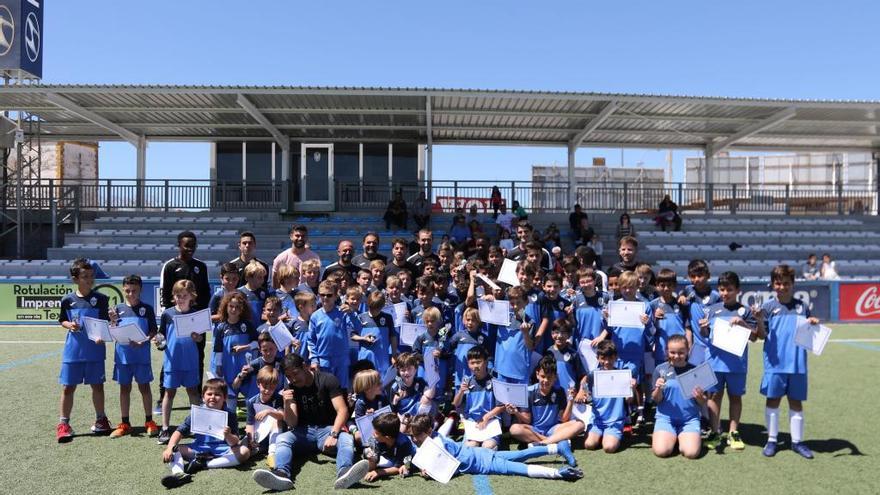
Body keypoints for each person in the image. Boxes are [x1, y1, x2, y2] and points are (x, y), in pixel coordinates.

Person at [252, 353, 370, 491]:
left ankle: (345, 472)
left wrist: (333, 434)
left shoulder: (327, 379)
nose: (293, 379)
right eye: (289, 376)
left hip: (328, 429)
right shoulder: (290, 388)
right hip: (303, 432)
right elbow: (292, 423)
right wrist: (287, 403)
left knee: (346, 438)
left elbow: (342, 410)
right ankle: (281, 474)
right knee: (282, 438)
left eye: (295, 373)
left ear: (305, 366)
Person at [754, 264, 819, 459]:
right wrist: (758, 320)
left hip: (797, 364)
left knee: (796, 403)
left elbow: (809, 334)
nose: (782, 287)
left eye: (786, 283)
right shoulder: (767, 307)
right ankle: (772, 440)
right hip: (775, 364)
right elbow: (761, 336)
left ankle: (797, 442)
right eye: (778, 283)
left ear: (793, 284)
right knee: (773, 401)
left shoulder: (802, 307)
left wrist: (813, 323)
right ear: (773, 284)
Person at [408, 414, 582, 481]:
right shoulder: (436, 438)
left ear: (428, 431)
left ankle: (558, 473)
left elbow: (448, 470)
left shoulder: (436, 444)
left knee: (521, 468)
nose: (414, 439)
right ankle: (556, 449)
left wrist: (429, 474)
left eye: (417, 435)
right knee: (521, 454)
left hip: (484, 463)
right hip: (482, 453)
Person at [56, 257, 112, 443]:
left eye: (91, 276)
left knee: (97, 386)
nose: (89, 279)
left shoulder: (101, 299)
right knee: (68, 387)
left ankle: (101, 419)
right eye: (85, 276)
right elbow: (61, 320)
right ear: (75, 279)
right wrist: (69, 325)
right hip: (73, 351)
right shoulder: (67, 300)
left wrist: (103, 334)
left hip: (95, 351)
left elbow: (106, 324)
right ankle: (64, 424)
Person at [160, 378, 251, 488]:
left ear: (225, 398)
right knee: (175, 449)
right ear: (203, 397)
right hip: (198, 450)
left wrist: (228, 435)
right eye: (209, 394)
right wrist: (169, 448)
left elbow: (235, 441)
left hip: (223, 450)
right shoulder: (197, 413)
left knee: (244, 452)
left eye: (217, 394)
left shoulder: (230, 415)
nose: (213, 397)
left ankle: (204, 464)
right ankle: (178, 474)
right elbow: (179, 432)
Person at [701, 271, 756, 451]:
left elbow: (755, 337)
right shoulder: (711, 310)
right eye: (722, 289)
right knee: (714, 397)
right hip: (714, 362)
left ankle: (733, 432)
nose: (725, 293)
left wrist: (743, 324)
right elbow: (705, 335)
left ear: (737, 290)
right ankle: (716, 430)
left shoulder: (745, 311)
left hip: (736, 364)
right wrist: (703, 329)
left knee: (735, 397)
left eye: (729, 289)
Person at [159, 231, 211, 412]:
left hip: (196, 320)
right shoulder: (170, 266)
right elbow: (165, 294)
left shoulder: (201, 267)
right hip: (175, 318)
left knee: (198, 356)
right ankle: (162, 396)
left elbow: (205, 294)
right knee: (170, 356)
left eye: (193, 245)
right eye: (186, 245)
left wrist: (201, 318)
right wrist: (171, 313)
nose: (190, 248)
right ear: (179, 245)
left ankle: (197, 396)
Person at [108, 274, 159, 438]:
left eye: (134, 291)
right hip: (122, 356)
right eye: (128, 291)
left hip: (141, 355)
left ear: (141, 290)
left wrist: (143, 340)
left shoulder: (147, 309)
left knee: (144, 387)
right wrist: (113, 322)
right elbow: (111, 330)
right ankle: (125, 423)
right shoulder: (116, 309)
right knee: (124, 388)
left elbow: (153, 331)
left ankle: (149, 421)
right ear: (123, 290)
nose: (131, 294)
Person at [157, 280, 205, 445]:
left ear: (191, 296)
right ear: (173, 296)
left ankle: (198, 426)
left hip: (190, 362)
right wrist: (158, 341)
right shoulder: (167, 314)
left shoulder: (195, 314)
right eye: (178, 296)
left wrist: (197, 337)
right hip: (172, 362)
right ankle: (164, 428)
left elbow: (200, 338)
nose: (180, 299)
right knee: (168, 394)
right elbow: (161, 335)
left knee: (193, 393)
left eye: (184, 296)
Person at [508, 356, 584, 448]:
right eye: (543, 376)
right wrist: (516, 412)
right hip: (534, 430)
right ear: (537, 375)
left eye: (549, 377)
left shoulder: (559, 391)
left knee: (580, 424)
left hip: (554, 429)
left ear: (555, 377)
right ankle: (553, 441)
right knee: (514, 429)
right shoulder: (529, 392)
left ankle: (543, 443)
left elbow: (564, 419)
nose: (546, 380)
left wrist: (571, 400)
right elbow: (527, 420)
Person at [576, 340, 636, 453]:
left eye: (610, 358)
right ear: (597, 358)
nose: (607, 362)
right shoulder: (594, 375)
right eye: (603, 358)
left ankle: (615, 434)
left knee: (609, 447)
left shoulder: (622, 375)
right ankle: (598, 434)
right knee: (589, 445)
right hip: (597, 421)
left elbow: (629, 401)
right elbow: (584, 380)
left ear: (616, 357)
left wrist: (632, 388)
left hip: (615, 422)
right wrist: (581, 391)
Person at [651, 334, 706, 459]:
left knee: (691, 453)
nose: (676, 356)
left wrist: (699, 396)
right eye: (672, 352)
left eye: (681, 352)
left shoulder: (695, 370)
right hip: (666, 419)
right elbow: (656, 399)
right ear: (667, 351)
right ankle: (671, 437)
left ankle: (683, 438)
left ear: (687, 351)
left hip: (689, 420)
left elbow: (703, 402)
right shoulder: (660, 369)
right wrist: (658, 388)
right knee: (661, 451)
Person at [212, 292, 258, 411]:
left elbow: (257, 344)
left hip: (246, 366)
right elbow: (218, 349)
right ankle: (232, 425)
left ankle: (251, 425)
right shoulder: (221, 327)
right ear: (226, 307)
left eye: (237, 307)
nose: (234, 309)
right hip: (229, 367)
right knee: (230, 398)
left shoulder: (247, 325)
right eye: (231, 306)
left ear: (242, 309)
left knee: (251, 398)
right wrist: (218, 365)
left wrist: (245, 347)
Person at [307, 280, 353, 391]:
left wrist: (352, 314)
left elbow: (357, 328)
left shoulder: (343, 313)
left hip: (341, 360)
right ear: (318, 295)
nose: (325, 298)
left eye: (329, 295)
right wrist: (314, 360)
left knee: (342, 392)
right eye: (322, 295)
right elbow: (311, 340)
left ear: (335, 296)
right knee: (325, 393)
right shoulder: (315, 316)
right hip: (324, 361)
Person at [244, 366, 285, 465]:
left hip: (275, 435)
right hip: (259, 434)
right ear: (258, 384)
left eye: (271, 387)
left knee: (276, 420)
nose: (267, 390)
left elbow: (282, 416)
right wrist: (251, 440)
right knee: (242, 448)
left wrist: (268, 411)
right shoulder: (252, 401)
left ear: (276, 386)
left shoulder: (278, 399)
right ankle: (257, 447)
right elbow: (250, 424)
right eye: (265, 386)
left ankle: (272, 453)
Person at [362, 412, 417, 481]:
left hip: (410, 453)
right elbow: (372, 467)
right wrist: (372, 460)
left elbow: (400, 467)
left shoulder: (403, 444)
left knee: (406, 467)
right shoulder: (375, 440)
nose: (373, 434)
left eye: (376, 433)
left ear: (387, 437)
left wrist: (379, 472)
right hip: (390, 456)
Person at [272, 224, 321, 289]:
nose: (300, 238)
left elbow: (317, 279)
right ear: (291, 237)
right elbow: (275, 282)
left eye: (303, 236)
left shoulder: (314, 257)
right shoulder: (281, 258)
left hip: (307, 296)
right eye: (297, 236)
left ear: (306, 238)